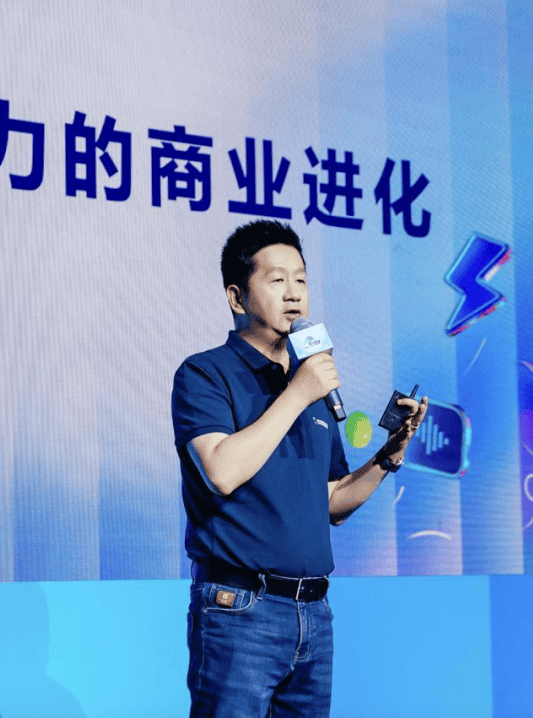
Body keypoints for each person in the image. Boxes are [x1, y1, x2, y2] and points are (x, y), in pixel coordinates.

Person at [171, 220, 427, 718]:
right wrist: (298, 393)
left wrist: (389, 454)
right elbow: (221, 471)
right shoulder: (205, 373)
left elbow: (332, 502)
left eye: (302, 280)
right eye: (277, 280)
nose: (294, 294)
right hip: (239, 609)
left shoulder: (312, 384)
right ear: (237, 297)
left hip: (313, 613)